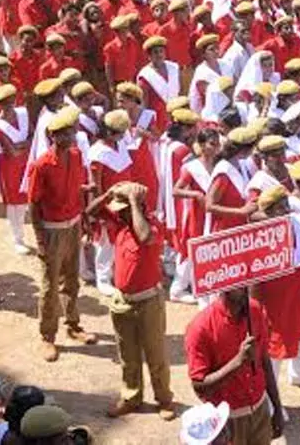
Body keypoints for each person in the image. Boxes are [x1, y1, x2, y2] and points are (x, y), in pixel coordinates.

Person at [86, 180, 176, 420]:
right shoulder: (119, 223)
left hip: (149, 301)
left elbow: (145, 236)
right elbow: (90, 211)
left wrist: (134, 201)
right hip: (122, 300)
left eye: (122, 209)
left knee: (155, 356)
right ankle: (131, 397)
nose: (117, 214)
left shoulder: (153, 225)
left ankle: (164, 400)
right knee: (128, 355)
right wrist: (108, 193)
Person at [26, 107, 97, 361]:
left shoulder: (76, 156)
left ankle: (72, 324)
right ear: (54, 136)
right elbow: (33, 204)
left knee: (72, 280)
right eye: (67, 132)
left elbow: (78, 190)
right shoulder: (41, 165)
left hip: (73, 225)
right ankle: (47, 336)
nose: (74, 135)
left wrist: (85, 221)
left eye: (74, 130)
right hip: (52, 231)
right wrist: (39, 240)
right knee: (49, 286)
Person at [185, 285, 286, 445]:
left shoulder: (256, 310)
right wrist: (237, 363)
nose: (247, 289)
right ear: (224, 287)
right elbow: (199, 385)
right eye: (240, 286)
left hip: (260, 410)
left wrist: (277, 408)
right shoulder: (200, 328)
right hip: (228, 422)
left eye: (247, 283)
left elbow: (265, 362)